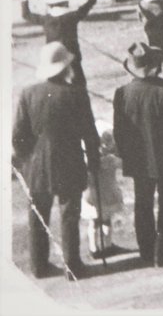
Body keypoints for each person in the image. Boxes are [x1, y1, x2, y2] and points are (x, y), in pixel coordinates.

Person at [12, 42, 101, 280]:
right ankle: (72, 265)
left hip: (37, 165)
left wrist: (26, 161)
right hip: (69, 161)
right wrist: (94, 161)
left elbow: (18, 136)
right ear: (66, 68)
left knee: (37, 216)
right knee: (69, 214)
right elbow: (90, 134)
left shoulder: (29, 93)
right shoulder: (77, 94)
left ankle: (38, 266)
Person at [112, 42, 163, 267]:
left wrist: (125, 155)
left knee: (142, 203)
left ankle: (146, 251)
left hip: (138, 160)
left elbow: (119, 131)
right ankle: (162, 250)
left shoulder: (122, 93)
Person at [22, 0, 98, 88]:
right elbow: (90, 1)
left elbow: (26, 14)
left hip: (53, 61)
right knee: (80, 86)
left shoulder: (46, 19)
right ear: (66, 2)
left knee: (54, 87)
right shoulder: (72, 17)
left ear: (49, 4)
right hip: (73, 59)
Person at [82, 122, 123, 260]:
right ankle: (107, 246)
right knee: (106, 220)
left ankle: (94, 249)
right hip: (108, 193)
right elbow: (122, 164)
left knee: (94, 221)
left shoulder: (88, 159)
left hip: (92, 194)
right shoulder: (111, 159)